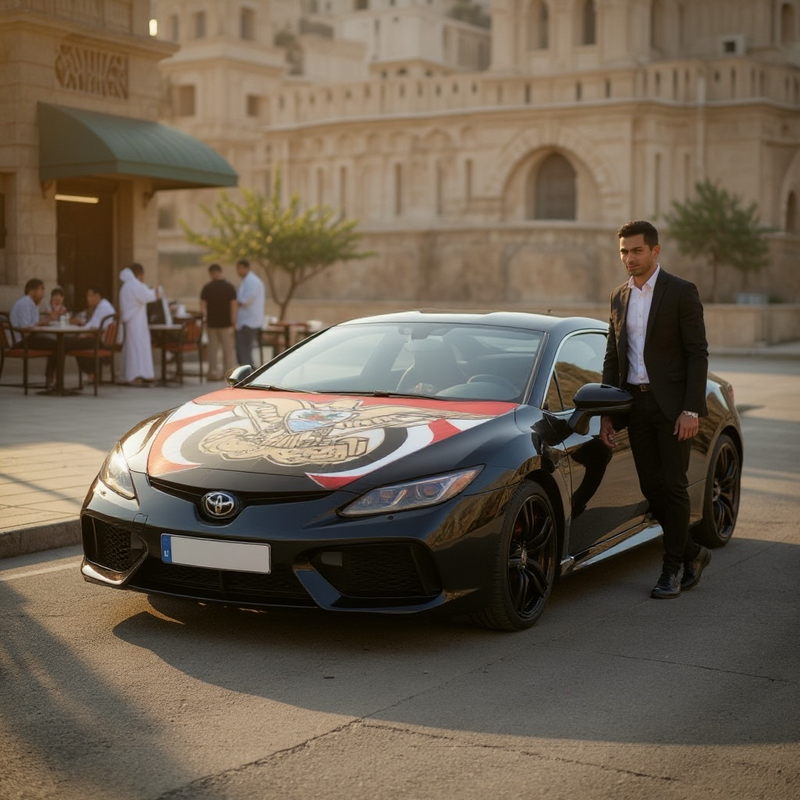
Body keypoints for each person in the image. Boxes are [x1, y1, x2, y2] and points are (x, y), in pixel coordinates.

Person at [600, 219, 711, 600]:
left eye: (636, 251)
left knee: (674, 486)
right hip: (637, 405)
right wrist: (608, 411)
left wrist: (691, 410)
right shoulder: (618, 296)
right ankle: (693, 553)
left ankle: (672, 568)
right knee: (652, 488)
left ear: (655, 251)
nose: (629, 258)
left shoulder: (681, 291)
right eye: (623, 252)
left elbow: (697, 353)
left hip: (673, 408)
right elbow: (613, 357)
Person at [9, 278, 57, 388]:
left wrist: (45, 322)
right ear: (32, 291)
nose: (43, 294)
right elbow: (26, 329)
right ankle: (50, 378)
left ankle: (51, 377)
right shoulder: (24, 303)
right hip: (21, 340)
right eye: (41, 290)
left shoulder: (33, 304)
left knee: (57, 341)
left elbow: (34, 324)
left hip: (29, 337)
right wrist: (45, 322)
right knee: (57, 345)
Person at [119, 263, 157, 386]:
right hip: (136, 322)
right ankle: (134, 376)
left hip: (134, 321)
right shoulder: (134, 285)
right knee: (136, 349)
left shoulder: (126, 286)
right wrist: (155, 290)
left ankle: (141, 374)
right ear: (140, 274)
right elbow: (149, 296)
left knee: (135, 348)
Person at [70, 286, 117, 381]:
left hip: (101, 342)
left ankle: (91, 372)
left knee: (72, 344)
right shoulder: (102, 305)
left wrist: (82, 331)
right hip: (100, 338)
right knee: (77, 342)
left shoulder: (103, 307)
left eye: (90, 295)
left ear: (97, 296)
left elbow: (94, 327)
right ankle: (92, 372)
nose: (88, 298)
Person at [200, 263, 237, 380]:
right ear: (220, 272)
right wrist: (233, 321)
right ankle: (228, 374)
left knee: (213, 350)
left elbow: (202, 305)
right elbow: (234, 305)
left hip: (212, 323)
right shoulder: (229, 287)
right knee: (228, 350)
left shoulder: (207, 288)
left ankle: (212, 373)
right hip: (226, 324)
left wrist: (205, 318)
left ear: (211, 274)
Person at [235, 258, 265, 367]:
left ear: (246, 268)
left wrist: (233, 303)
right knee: (245, 349)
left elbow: (246, 300)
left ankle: (248, 373)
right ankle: (249, 371)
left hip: (249, 321)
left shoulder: (251, 281)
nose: (238, 271)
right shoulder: (248, 281)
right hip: (247, 320)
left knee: (244, 349)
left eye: (240, 269)